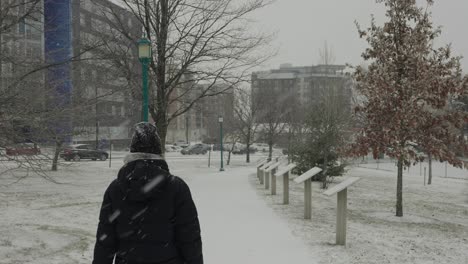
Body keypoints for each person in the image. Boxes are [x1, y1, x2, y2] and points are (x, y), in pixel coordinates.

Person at [92, 122, 203, 264]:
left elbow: (105, 242)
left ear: (132, 151)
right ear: (158, 151)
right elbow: (190, 239)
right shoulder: (177, 187)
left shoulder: (116, 189)